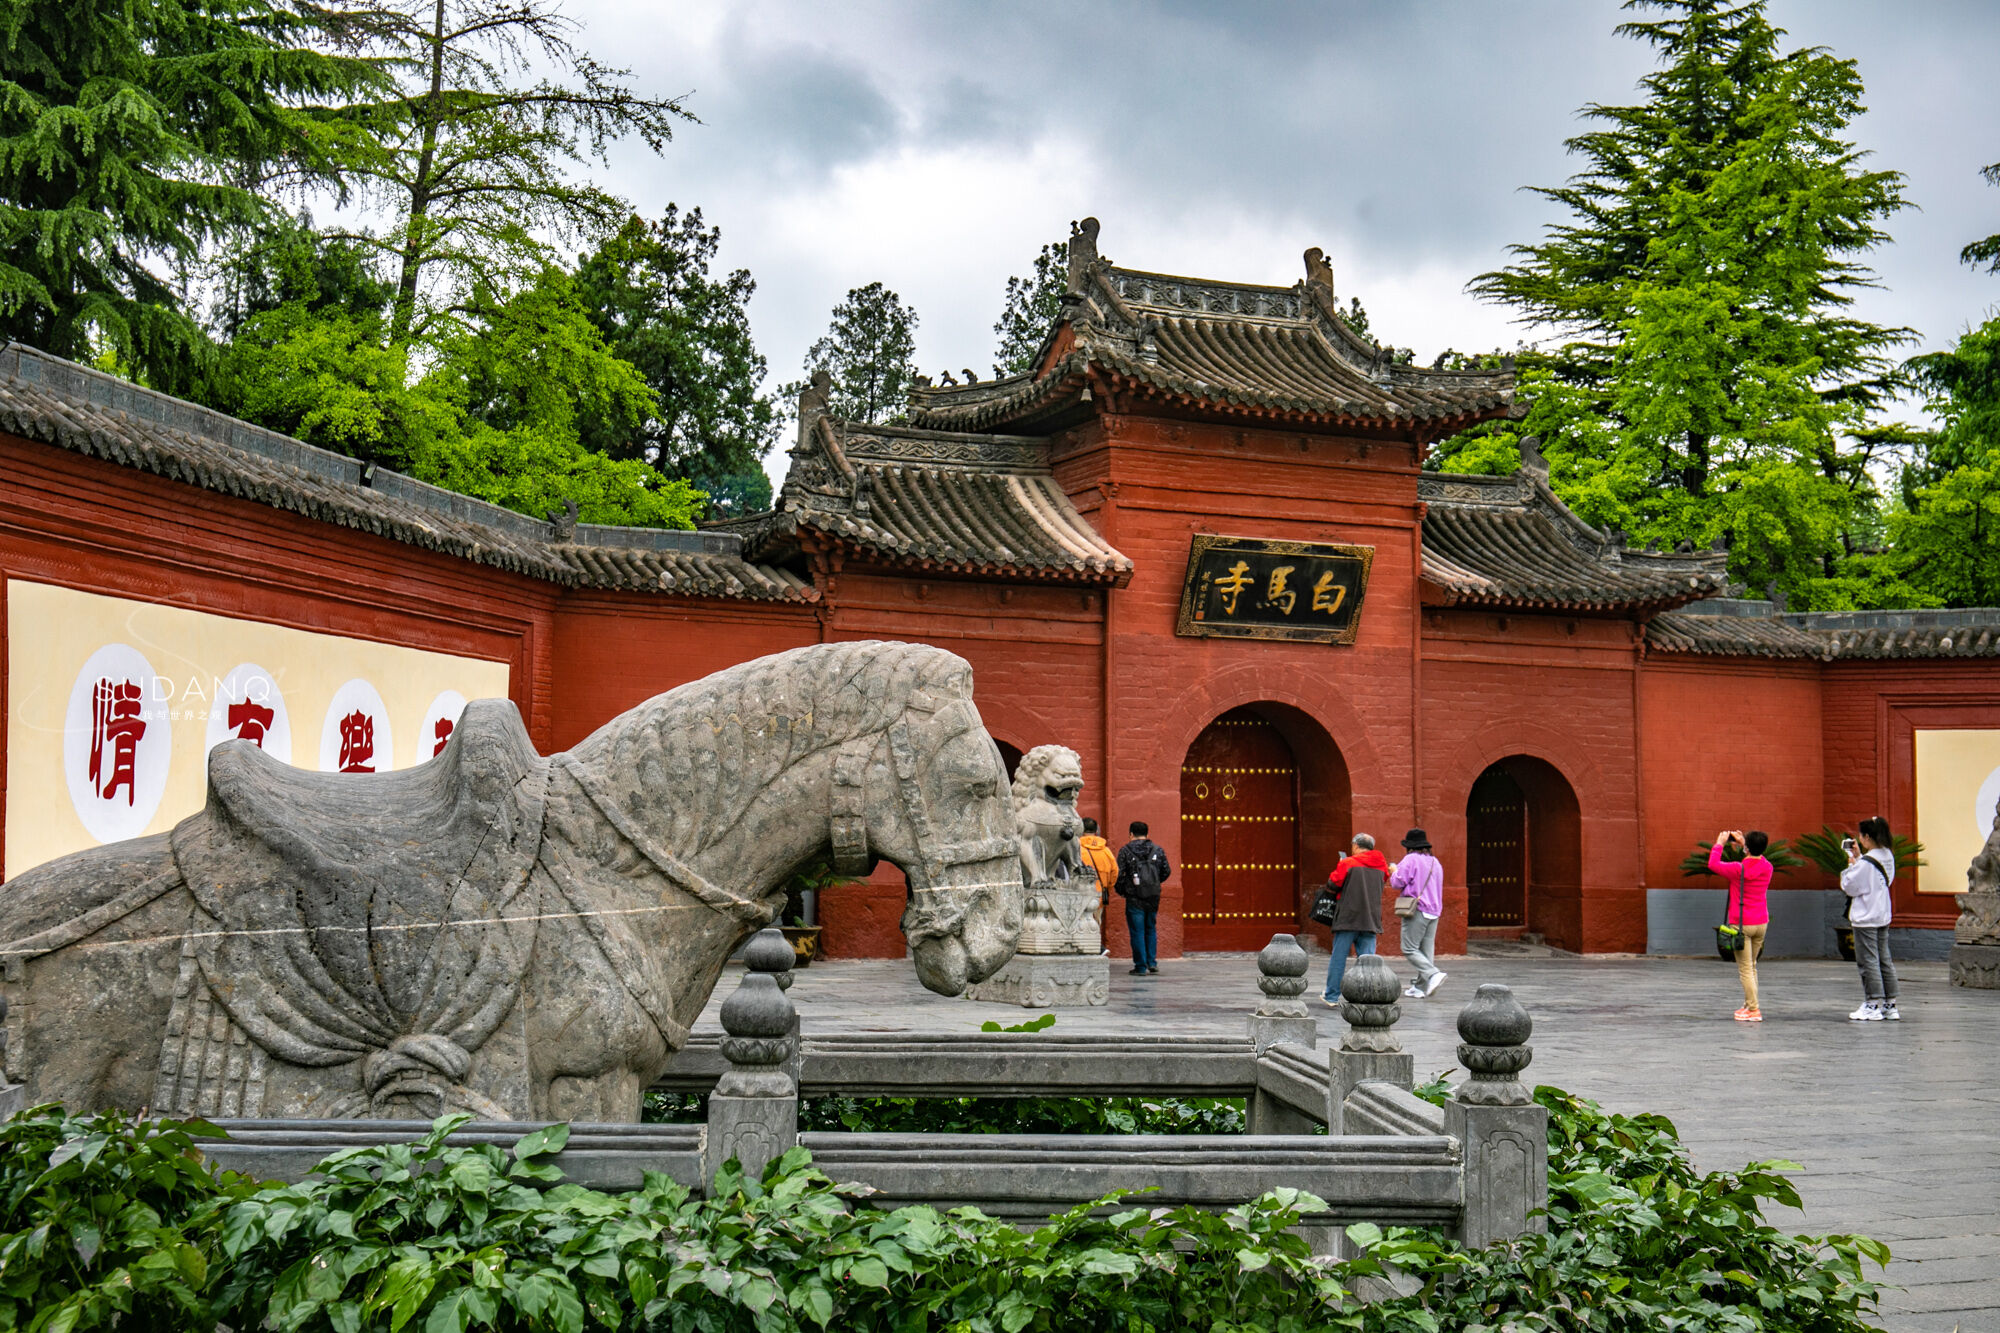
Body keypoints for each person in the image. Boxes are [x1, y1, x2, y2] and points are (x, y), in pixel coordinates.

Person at [1708, 829, 1772, 1022]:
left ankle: (1754, 1010)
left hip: (1742, 924)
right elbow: (1759, 858)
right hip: (1761, 922)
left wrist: (1719, 843)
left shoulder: (1738, 869)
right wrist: (1745, 843)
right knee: (1752, 966)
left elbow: (1713, 864)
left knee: (1745, 968)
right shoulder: (1768, 867)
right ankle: (1748, 1005)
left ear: (1747, 848)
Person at [1840, 816, 1900, 1021]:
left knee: (1868, 961)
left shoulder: (1866, 863)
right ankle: (1890, 1004)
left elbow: (1850, 886)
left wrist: (1851, 863)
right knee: (1884, 959)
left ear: (1866, 836)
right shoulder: (1887, 855)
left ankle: (1872, 1003)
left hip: (1866, 916)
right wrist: (1859, 858)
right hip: (1883, 914)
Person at [1322, 832, 1387, 1005]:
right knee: (1368, 962)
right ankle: (1368, 995)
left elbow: (1332, 884)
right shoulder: (1382, 866)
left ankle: (1331, 996)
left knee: (1339, 958)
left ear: (1356, 846)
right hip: (1371, 919)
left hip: (1348, 917)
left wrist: (1339, 865)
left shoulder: (1348, 863)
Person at [1389, 828, 1446, 998]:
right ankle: (1421, 987)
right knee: (1426, 949)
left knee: (1409, 948)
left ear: (1409, 846)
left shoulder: (1410, 859)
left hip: (1418, 909)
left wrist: (1393, 870)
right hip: (1434, 910)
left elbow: (1398, 882)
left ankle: (1433, 974)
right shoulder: (1435, 862)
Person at [1115, 820, 1170, 976]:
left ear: (1130, 834)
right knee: (1150, 928)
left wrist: (1124, 891)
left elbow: (1118, 874)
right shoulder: (1157, 850)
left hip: (1134, 897)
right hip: (1153, 895)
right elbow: (1166, 871)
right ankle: (1152, 962)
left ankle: (1140, 966)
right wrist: (1154, 883)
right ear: (1147, 833)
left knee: (1137, 931)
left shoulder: (1125, 851)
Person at [1077, 817, 1118, 916]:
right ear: (1096, 831)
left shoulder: (1076, 850)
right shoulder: (1106, 851)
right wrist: (1106, 888)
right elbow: (1115, 872)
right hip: (1099, 897)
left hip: (1078, 896)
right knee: (1095, 926)